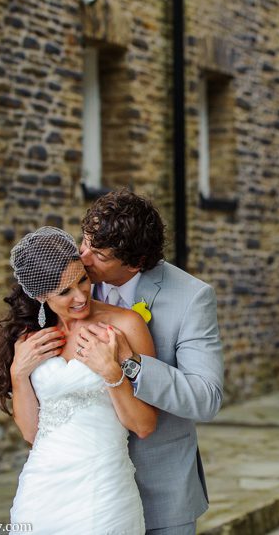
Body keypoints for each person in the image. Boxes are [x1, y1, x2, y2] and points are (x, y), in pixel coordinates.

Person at [0, 226, 157, 534]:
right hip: (41, 491)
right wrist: (18, 374)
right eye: (65, 291)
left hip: (103, 492)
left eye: (82, 280)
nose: (81, 296)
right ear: (40, 296)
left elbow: (144, 425)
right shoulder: (30, 339)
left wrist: (111, 373)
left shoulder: (125, 325)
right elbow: (31, 433)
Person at [77, 189, 224, 535]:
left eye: (97, 254)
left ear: (136, 262)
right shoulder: (70, 280)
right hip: (86, 486)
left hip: (159, 488)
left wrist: (132, 363)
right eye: (83, 242)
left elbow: (207, 397)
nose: (82, 258)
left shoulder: (191, 298)